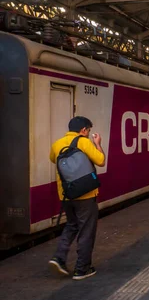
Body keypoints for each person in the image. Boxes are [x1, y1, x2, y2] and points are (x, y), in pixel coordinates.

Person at [48, 116, 105, 280]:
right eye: (88, 130)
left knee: (71, 225)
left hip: (66, 194)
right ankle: (82, 269)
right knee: (86, 230)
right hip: (85, 195)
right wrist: (98, 144)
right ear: (83, 130)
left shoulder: (57, 144)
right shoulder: (84, 142)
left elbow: (53, 159)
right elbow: (101, 161)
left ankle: (59, 257)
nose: (88, 133)